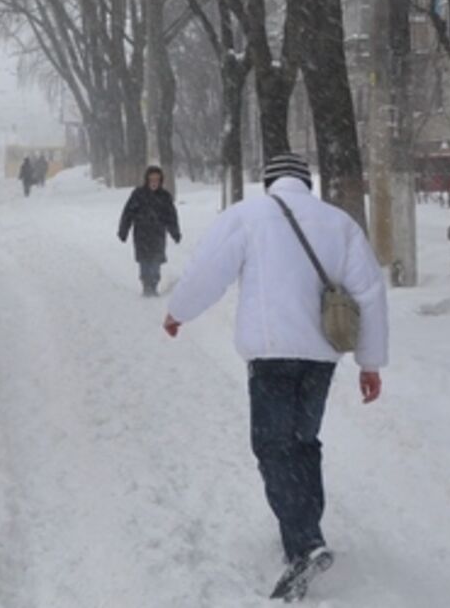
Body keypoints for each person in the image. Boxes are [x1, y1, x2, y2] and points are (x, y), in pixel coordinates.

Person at [162, 153, 390, 601]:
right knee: (303, 442)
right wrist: (370, 363)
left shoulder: (248, 216)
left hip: (271, 356)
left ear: (269, 181)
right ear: (307, 182)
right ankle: (306, 532)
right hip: (321, 357)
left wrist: (178, 311)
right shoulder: (338, 223)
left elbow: (209, 271)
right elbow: (369, 293)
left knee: (272, 445)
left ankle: (304, 543)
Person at [116, 166, 181, 296]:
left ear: (160, 180)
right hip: (141, 235)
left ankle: (154, 285)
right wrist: (123, 231)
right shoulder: (138, 194)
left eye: (157, 179)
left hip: (158, 235)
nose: (154, 182)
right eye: (151, 179)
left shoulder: (165, 197)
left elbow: (171, 216)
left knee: (156, 263)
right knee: (144, 262)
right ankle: (146, 286)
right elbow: (128, 213)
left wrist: (175, 233)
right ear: (147, 180)